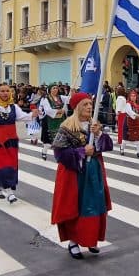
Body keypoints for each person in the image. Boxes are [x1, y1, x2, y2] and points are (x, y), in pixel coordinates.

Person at [50, 92, 113, 259]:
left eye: (90, 104)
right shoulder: (67, 127)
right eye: (85, 104)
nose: (89, 107)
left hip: (93, 173)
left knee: (94, 205)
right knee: (75, 206)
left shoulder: (94, 125)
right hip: (74, 174)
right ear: (77, 107)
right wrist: (81, 151)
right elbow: (59, 154)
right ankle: (73, 242)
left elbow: (107, 146)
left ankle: (91, 239)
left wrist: (99, 134)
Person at [38, 84, 67, 160]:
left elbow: (69, 99)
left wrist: (73, 94)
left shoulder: (60, 97)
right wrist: (58, 111)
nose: (55, 89)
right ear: (50, 89)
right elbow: (47, 110)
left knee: (61, 138)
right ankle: (44, 151)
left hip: (60, 120)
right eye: (53, 88)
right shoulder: (45, 99)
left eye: (56, 88)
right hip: (49, 120)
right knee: (49, 139)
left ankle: (60, 155)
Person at [115, 87, 139, 157]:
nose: (133, 97)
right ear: (129, 97)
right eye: (132, 96)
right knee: (125, 138)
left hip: (136, 123)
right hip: (128, 122)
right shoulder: (128, 104)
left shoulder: (138, 105)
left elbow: (138, 112)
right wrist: (136, 115)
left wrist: (138, 116)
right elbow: (129, 111)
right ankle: (122, 148)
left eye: (134, 96)